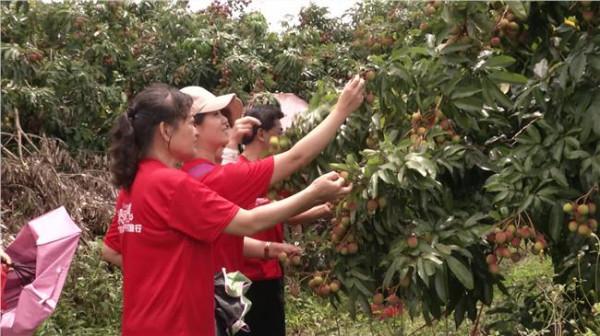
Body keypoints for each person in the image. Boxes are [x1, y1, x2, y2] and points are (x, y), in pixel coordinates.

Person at [104, 83, 351, 335]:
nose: (195, 133)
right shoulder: (173, 184)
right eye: (190, 123)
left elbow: (111, 250)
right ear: (166, 130)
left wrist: (167, 273)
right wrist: (313, 194)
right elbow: (249, 222)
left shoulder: (133, 185)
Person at [178, 75, 365, 277]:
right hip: (215, 293)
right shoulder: (213, 178)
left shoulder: (188, 173)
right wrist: (341, 111)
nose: (225, 120)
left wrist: (269, 248)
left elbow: (226, 236)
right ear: (193, 127)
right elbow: (297, 157)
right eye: (214, 114)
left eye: (223, 113)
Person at [228, 101, 333, 336]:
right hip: (242, 276)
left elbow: (287, 214)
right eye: (279, 132)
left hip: (271, 272)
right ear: (262, 134)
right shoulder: (235, 171)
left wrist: (323, 208)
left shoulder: (275, 176)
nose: (283, 138)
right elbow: (256, 216)